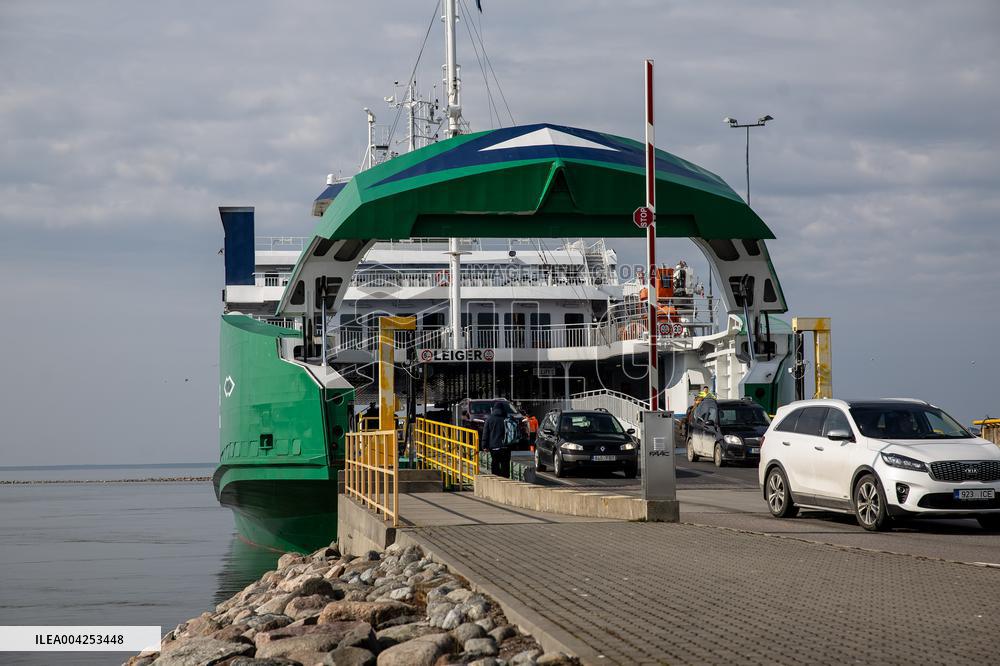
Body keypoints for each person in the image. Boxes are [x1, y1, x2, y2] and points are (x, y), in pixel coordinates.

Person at [481, 402, 511, 477]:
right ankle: (505, 480)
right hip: (506, 446)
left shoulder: (489, 419)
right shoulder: (507, 418)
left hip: (494, 447)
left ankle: (496, 479)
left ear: (494, 409)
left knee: (495, 463)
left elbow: (485, 433)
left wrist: (484, 446)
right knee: (505, 465)